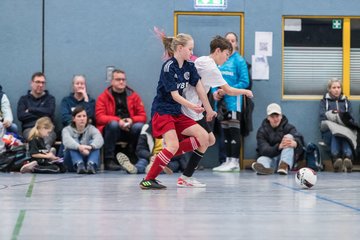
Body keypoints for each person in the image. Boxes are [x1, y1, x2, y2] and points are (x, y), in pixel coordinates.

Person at [139, 33, 215, 190]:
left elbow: (200, 87)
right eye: (190, 49)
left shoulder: (189, 66)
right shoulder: (168, 67)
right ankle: (148, 179)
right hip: (163, 111)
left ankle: (160, 158)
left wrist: (208, 109)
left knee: (204, 137)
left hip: (177, 112)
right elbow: (174, 95)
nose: (192, 53)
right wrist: (192, 106)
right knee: (172, 145)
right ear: (180, 49)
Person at [178, 35, 253, 185]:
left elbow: (200, 83)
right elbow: (229, 90)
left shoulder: (202, 61)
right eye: (226, 55)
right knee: (205, 140)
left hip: (196, 109)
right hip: (190, 109)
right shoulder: (211, 67)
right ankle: (170, 154)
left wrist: (211, 94)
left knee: (210, 139)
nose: (226, 59)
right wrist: (245, 92)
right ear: (218, 51)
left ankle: (185, 176)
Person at [212, 32, 252, 172]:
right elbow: (213, 81)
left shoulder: (239, 60)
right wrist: (215, 93)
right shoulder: (220, 60)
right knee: (225, 132)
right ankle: (227, 160)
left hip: (234, 102)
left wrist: (228, 90)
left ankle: (234, 161)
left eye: (233, 40)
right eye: (227, 40)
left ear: (236, 43)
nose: (230, 43)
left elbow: (245, 82)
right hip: (221, 104)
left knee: (234, 132)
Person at [96, 69, 146, 171]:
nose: (121, 82)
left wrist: (131, 120)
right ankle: (109, 160)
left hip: (129, 128)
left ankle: (132, 155)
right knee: (113, 125)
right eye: (118, 79)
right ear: (112, 81)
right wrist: (118, 121)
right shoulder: (103, 97)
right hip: (112, 130)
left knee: (139, 126)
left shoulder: (133, 96)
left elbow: (143, 116)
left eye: (123, 79)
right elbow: (99, 117)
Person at [252, 103, 304, 175]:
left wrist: (296, 144)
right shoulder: (262, 131)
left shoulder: (289, 128)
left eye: (277, 116)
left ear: (281, 116)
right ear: (268, 117)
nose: (275, 119)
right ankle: (265, 170)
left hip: (285, 158)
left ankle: (284, 166)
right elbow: (263, 150)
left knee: (289, 137)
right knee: (261, 159)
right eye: (272, 116)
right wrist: (279, 146)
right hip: (270, 159)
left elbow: (300, 144)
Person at [319, 79, 356, 173]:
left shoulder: (346, 102)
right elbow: (323, 116)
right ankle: (338, 158)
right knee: (336, 131)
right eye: (334, 87)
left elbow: (350, 118)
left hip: (344, 130)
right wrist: (337, 117)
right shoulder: (324, 101)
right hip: (329, 132)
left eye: (338, 87)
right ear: (329, 89)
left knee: (344, 133)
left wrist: (341, 119)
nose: (336, 90)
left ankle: (345, 160)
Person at [17, 72, 56, 149]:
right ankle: (46, 155)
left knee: (47, 139)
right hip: (29, 129)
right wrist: (42, 114)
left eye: (43, 82)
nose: (40, 85)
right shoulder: (24, 99)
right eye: (38, 82)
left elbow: (49, 112)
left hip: (47, 128)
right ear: (31, 83)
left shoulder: (50, 99)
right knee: (34, 139)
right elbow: (21, 116)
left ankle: (45, 155)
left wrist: (31, 109)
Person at [62, 106, 104, 174]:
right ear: (73, 119)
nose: (82, 118)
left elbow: (100, 139)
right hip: (71, 163)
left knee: (94, 144)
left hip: (87, 157)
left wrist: (91, 146)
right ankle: (79, 164)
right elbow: (67, 141)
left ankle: (91, 164)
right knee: (73, 142)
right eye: (79, 116)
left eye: (84, 116)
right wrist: (79, 147)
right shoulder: (66, 130)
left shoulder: (91, 128)